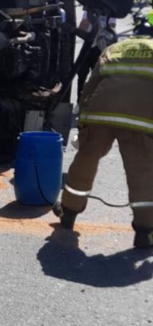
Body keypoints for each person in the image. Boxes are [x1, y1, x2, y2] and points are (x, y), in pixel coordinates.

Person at [57, 36, 153, 249]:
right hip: (141, 119)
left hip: (100, 113)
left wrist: (83, 122)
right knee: (142, 173)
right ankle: (146, 231)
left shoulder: (116, 49)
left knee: (85, 162)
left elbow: (90, 86)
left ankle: (68, 213)